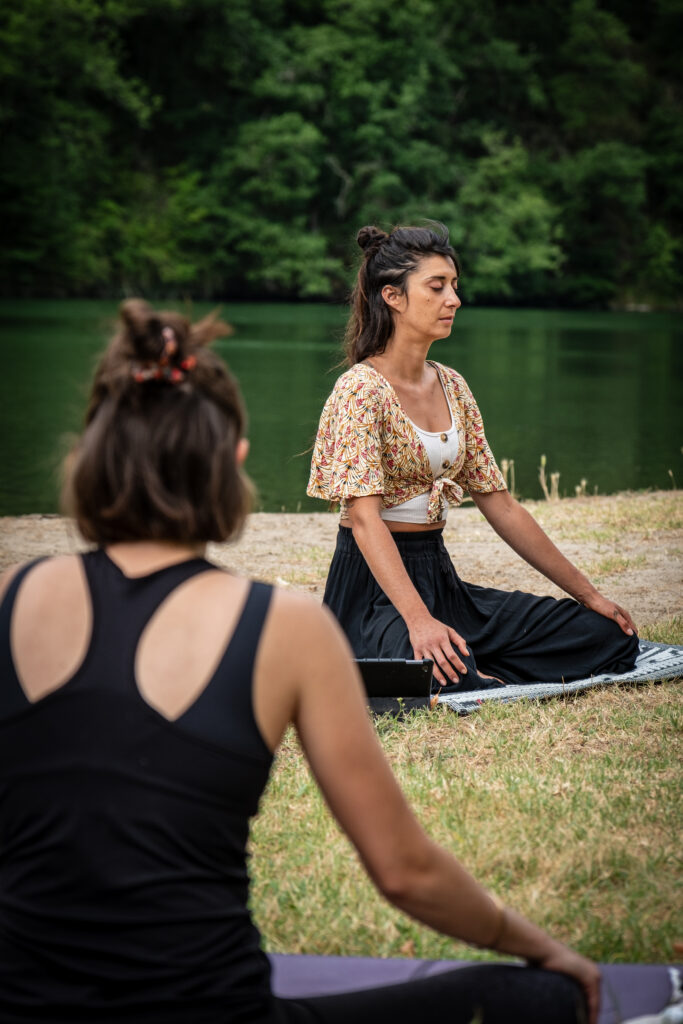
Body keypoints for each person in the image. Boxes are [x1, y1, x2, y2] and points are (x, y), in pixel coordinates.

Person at [0, 299, 599, 1024]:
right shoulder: (285, 628)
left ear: (86, 454)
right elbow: (404, 873)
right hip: (215, 1012)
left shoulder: (11, 598)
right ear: (233, 457)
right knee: (537, 999)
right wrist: (543, 950)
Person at [307, 224, 639, 690]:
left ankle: (477, 667)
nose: (454, 300)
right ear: (393, 297)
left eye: (455, 286)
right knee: (440, 674)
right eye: (437, 287)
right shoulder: (360, 391)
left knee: (609, 637)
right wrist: (419, 621)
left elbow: (501, 505)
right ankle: (461, 669)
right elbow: (364, 520)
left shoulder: (453, 386)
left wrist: (590, 595)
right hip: (372, 592)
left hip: (440, 581)